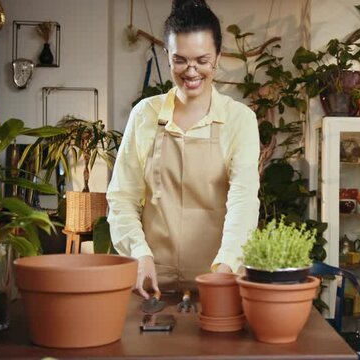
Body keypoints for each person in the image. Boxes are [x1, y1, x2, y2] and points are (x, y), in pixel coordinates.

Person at [107, 0, 260, 299]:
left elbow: (243, 202)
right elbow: (122, 198)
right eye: (180, 60)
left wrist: (225, 269)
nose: (191, 71)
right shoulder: (145, 115)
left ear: (218, 56)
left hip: (219, 280)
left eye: (202, 60)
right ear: (167, 55)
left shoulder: (239, 120)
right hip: (150, 281)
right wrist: (140, 254)